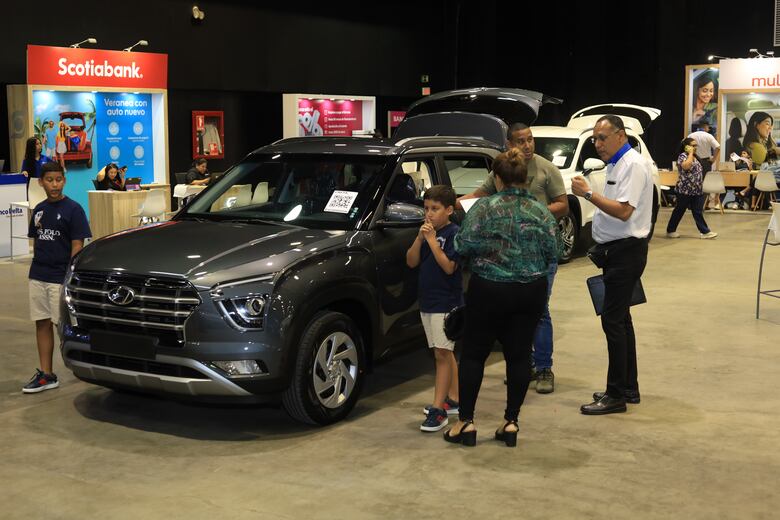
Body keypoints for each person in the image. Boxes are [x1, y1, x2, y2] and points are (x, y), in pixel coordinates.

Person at [444, 148, 559, 447]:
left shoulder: (483, 208)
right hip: (530, 291)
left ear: (497, 178)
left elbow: (463, 246)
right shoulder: (541, 211)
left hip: (489, 290)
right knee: (519, 356)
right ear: (525, 177)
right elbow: (553, 251)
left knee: (473, 355)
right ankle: (510, 422)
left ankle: (466, 423)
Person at [458, 123, 568, 394]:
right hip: (506, 260)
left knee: (540, 313)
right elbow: (478, 196)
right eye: (521, 140)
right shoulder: (501, 170)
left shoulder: (546, 169)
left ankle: (544, 368)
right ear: (509, 145)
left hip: (536, 259)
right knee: (517, 317)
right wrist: (450, 204)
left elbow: (563, 205)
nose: (528, 145)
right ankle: (525, 365)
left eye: (530, 139)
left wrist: (530, 213)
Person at [571, 115, 653, 415]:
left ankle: (615, 394)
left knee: (613, 322)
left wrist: (588, 194)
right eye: (595, 138)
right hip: (618, 252)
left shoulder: (631, 164)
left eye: (602, 137)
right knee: (622, 321)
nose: (597, 143)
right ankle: (628, 387)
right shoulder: (617, 164)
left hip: (626, 252)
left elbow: (623, 211)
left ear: (621, 135)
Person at [23, 162, 91, 393]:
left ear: (64, 180)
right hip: (38, 275)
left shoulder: (74, 210)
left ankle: (85, 368)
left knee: (61, 325)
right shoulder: (39, 210)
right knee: (41, 322)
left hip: (59, 277)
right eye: (49, 180)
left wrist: (68, 277)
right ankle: (47, 374)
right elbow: (38, 241)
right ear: (41, 182)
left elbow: (77, 245)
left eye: (58, 180)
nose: (54, 184)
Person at [406, 185, 463, 432]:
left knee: (441, 354)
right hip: (427, 300)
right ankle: (455, 399)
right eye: (426, 208)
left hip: (446, 302)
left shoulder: (454, 234)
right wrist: (420, 239)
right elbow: (411, 261)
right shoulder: (425, 233)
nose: (429, 214)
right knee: (444, 352)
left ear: (449, 210)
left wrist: (432, 240)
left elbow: (449, 267)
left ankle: (438, 409)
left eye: (435, 209)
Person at [665, 138, 717, 239]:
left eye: (696, 145)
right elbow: (686, 166)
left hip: (696, 190)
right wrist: (690, 153)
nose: (695, 147)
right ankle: (670, 230)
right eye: (693, 145)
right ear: (687, 147)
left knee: (697, 211)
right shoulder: (683, 156)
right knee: (679, 210)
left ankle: (705, 232)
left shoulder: (695, 157)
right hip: (685, 190)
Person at [742, 112, 778, 209]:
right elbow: (770, 163)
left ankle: (747, 190)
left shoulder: (766, 143)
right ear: (756, 125)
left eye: (771, 125)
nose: (770, 127)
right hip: (770, 178)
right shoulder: (755, 145)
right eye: (767, 123)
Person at [688, 121, 721, 210]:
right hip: (705, 162)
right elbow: (718, 147)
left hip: (694, 160)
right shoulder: (708, 136)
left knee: (693, 182)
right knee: (704, 184)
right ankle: (702, 205)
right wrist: (714, 159)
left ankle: (692, 205)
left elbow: (684, 147)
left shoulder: (691, 136)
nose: (709, 129)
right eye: (708, 127)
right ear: (705, 127)